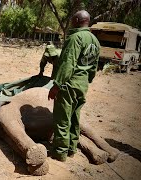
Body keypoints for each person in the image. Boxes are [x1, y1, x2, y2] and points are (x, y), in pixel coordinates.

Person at [48, 10, 100, 162]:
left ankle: (60, 152)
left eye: (72, 19)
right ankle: (72, 148)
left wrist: (56, 85)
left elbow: (67, 64)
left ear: (77, 20)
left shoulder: (75, 38)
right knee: (75, 116)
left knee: (62, 117)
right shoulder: (95, 40)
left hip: (69, 84)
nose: (70, 21)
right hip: (82, 85)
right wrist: (86, 80)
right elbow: (94, 66)